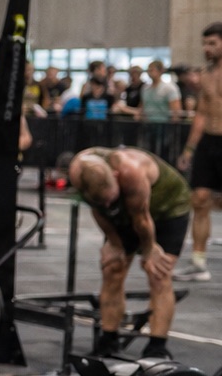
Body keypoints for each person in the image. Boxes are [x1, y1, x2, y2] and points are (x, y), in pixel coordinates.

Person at [70, 148, 188, 358]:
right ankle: (108, 341)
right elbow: (100, 210)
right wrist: (114, 243)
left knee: (157, 272)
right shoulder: (79, 172)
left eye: (110, 199)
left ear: (116, 176)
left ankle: (157, 348)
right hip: (128, 209)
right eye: (103, 201)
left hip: (167, 207)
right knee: (112, 268)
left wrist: (150, 250)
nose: (107, 204)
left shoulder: (131, 171)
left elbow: (142, 219)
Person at [177, 23, 222, 282]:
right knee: (200, 199)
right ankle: (198, 262)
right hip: (209, 143)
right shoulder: (205, 76)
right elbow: (201, 115)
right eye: (205, 44)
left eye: (212, 43)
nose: (206, 48)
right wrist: (189, 149)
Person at [142, 59, 180, 124]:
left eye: (152, 70)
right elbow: (143, 107)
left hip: (164, 124)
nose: (149, 72)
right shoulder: (145, 88)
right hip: (148, 124)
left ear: (160, 71)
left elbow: (176, 111)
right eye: (148, 70)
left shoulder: (169, 88)